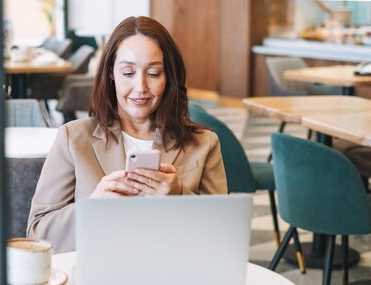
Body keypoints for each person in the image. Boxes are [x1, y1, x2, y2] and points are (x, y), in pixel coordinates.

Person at [27, 16, 227, 252]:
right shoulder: (73, 139)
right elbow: (37, 234)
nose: (141, 87)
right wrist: (92, 207)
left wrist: (179, 197)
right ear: (111, 73)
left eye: (153, 73)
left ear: (168, 77)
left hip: (176, 279)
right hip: (100, 278)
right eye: (128, 72)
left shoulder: (204, 144)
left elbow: (224, 237)